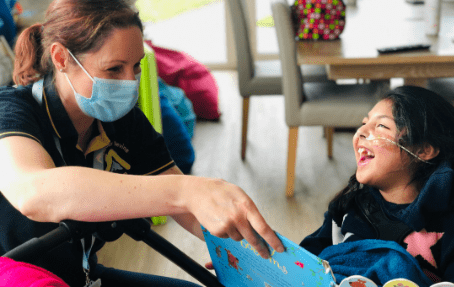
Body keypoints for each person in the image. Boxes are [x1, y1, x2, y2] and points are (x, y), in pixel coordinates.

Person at [0, 1, 283, 286]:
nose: (129, 83)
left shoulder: (123, 121)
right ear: (61, 59)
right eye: (113, 69)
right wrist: (185, 190)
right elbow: (35, 193)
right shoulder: (11, 111)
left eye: (135, 67)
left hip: (82, 276)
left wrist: (251, 257)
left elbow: (187, 208)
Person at [299, 86, 454, 286]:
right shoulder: (349, 207)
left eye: (381, 127)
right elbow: (302, 264)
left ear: (423, 150)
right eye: (364, 123)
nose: (361, 132)